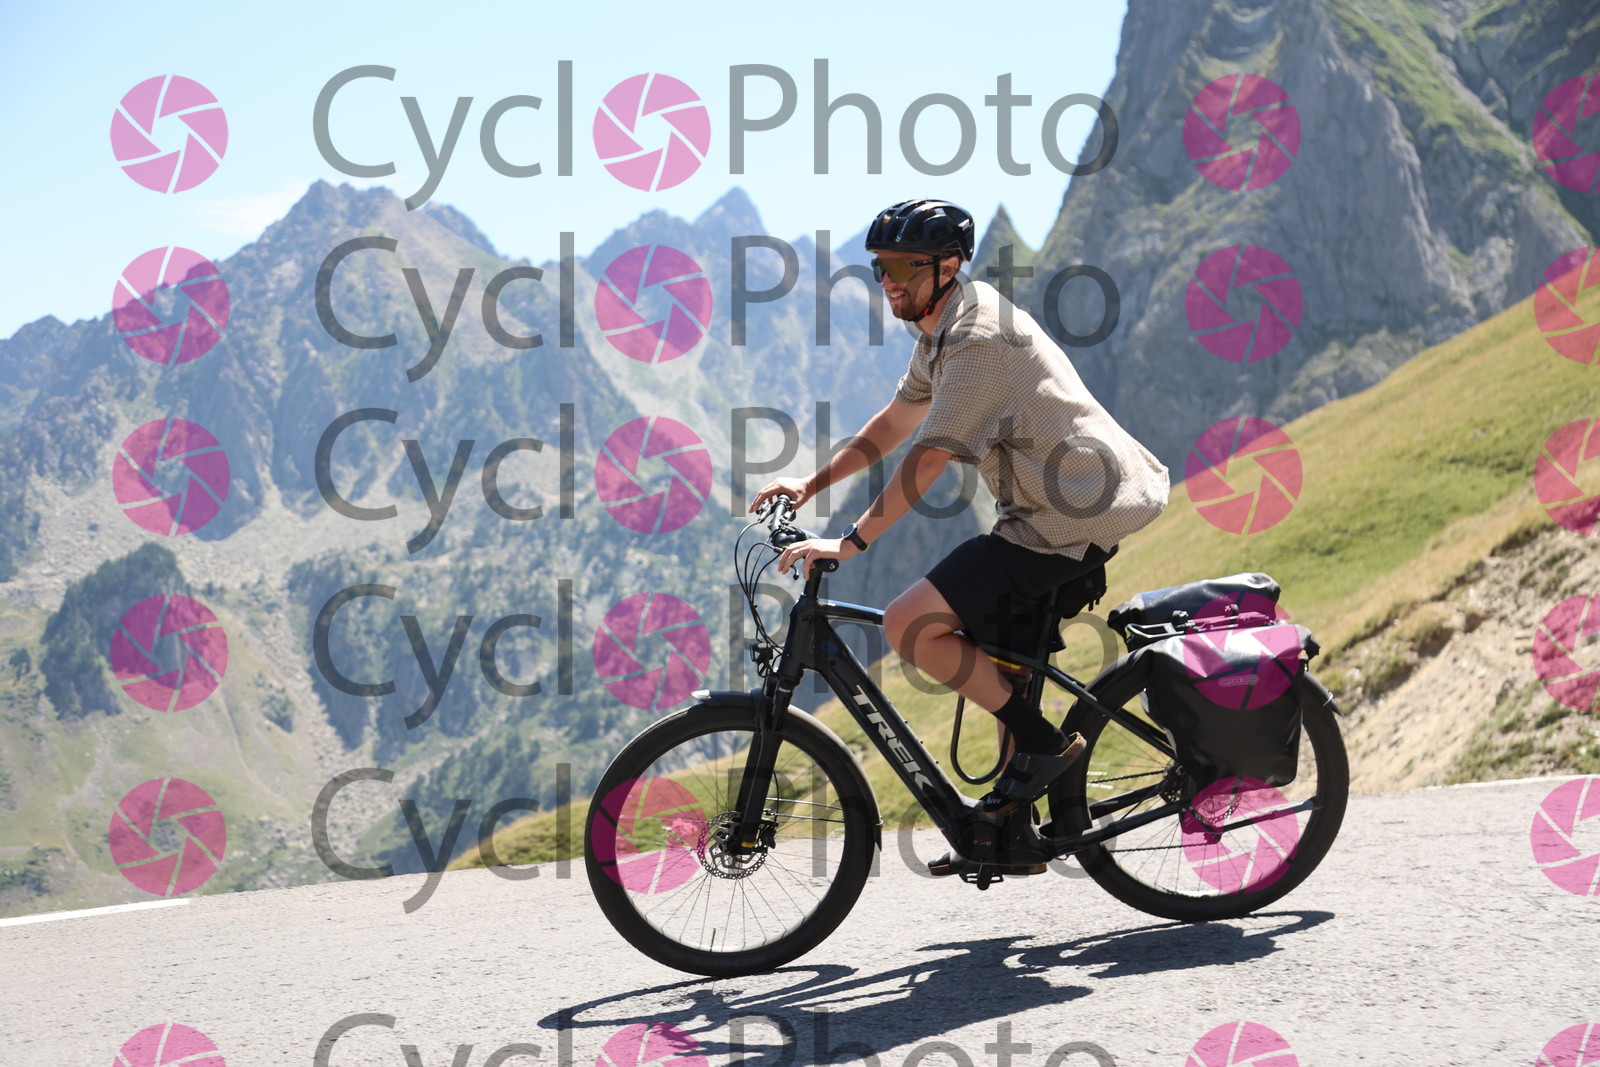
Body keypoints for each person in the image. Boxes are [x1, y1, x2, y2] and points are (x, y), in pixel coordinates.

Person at [749, 199, 1169, 876]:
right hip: (1047, 507)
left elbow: (926, 460)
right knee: (1006, 662)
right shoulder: (941, 330)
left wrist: (849, 543)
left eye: (901, 269)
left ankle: (1044, 745)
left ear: (946, 267)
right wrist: (810, 484)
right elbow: (896, 421)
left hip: (1069, 516)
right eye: (880, 268)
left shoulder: (976, 340)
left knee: (910, 623)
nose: (887, 282)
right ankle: (1014, 835)